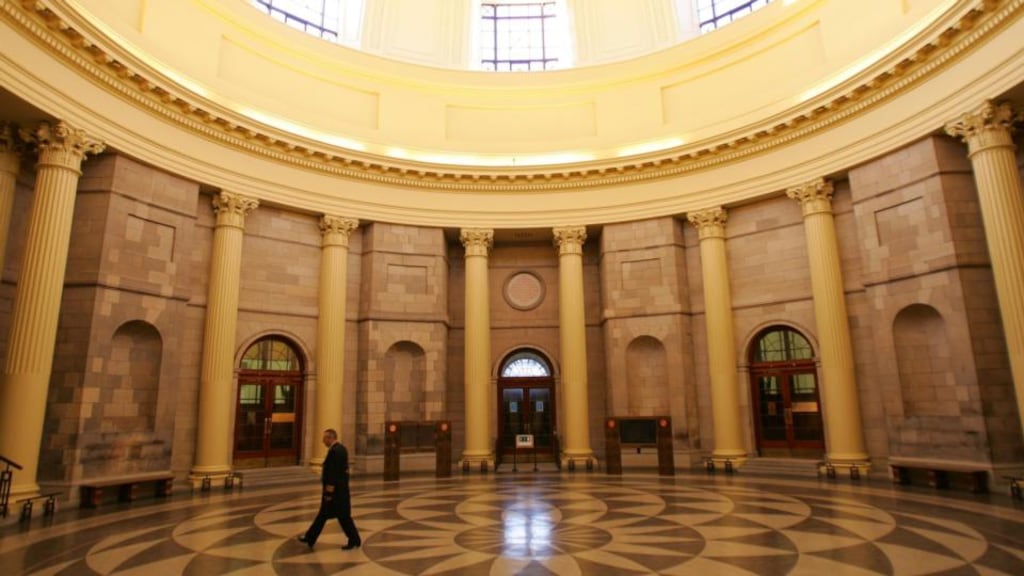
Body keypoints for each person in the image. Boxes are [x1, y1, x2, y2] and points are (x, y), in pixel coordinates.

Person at [298, 428, 361, 550]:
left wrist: (328, 493)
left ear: (330, 438)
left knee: (343, 517)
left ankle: (354, 539)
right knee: (326, 516)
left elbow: (332, 475)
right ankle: (310, 537)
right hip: (341, 491)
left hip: (336, 494)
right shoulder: (341, 449)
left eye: (324, 438)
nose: (323, 441)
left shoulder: (334, 452)